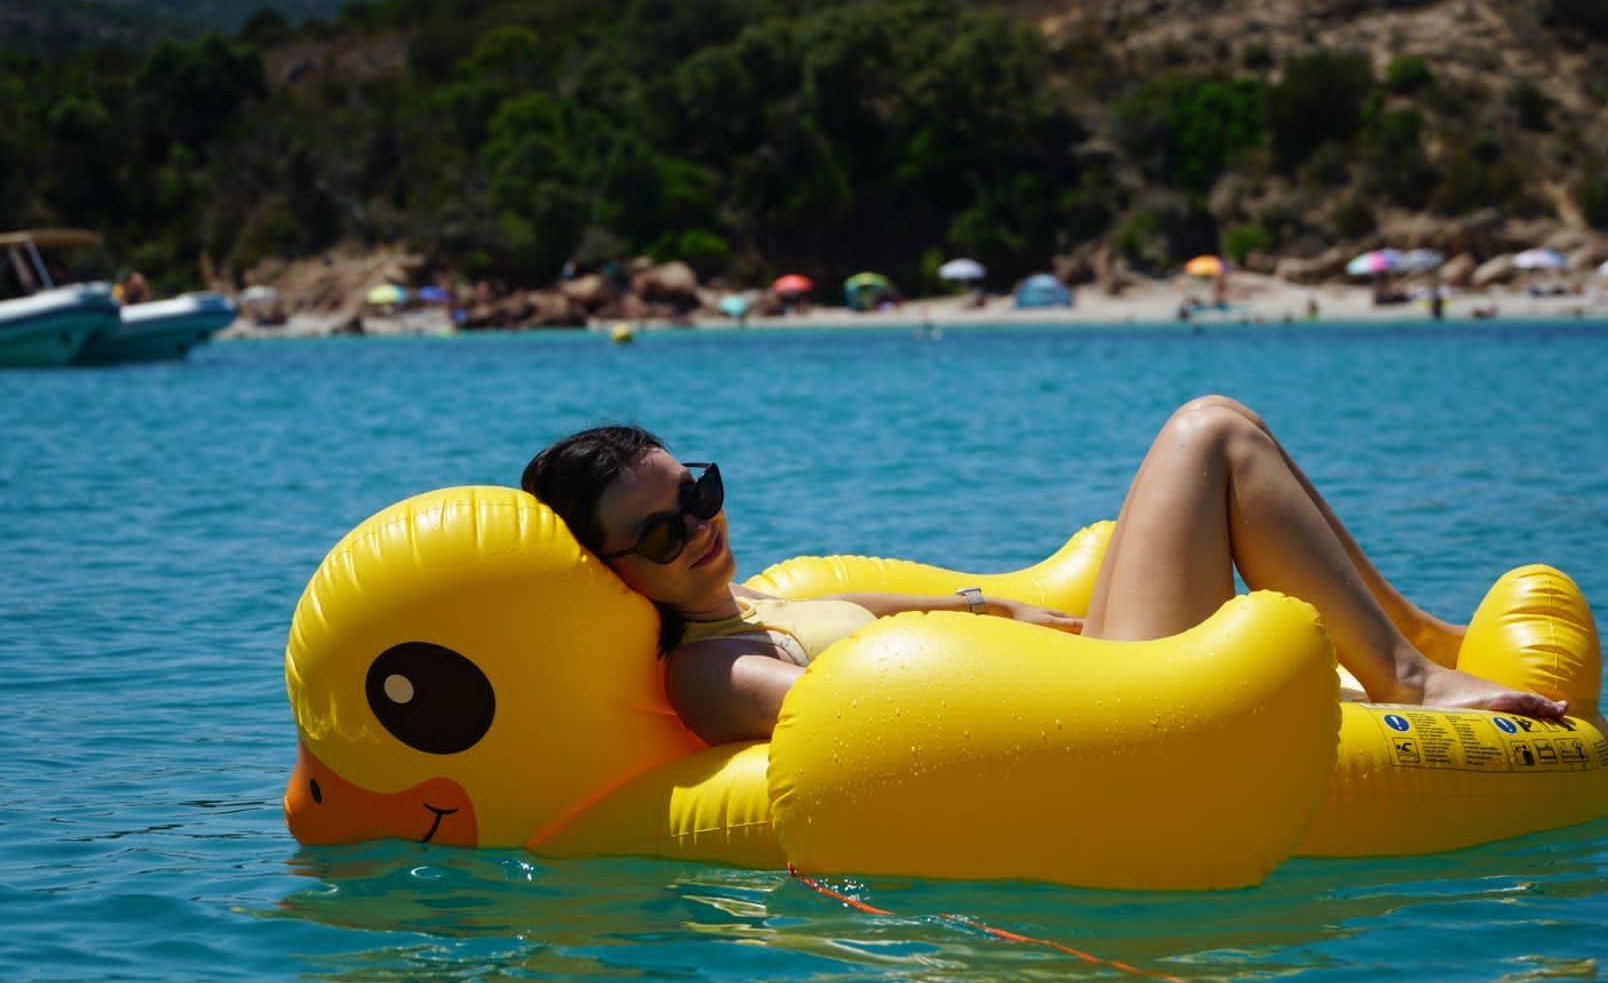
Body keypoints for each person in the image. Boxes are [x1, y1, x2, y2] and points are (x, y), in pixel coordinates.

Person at [521, 399, 1566, 745]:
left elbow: (932, 603)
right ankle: (1417, 680)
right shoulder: (709, 670)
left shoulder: (756, 602)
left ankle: (1418, 646)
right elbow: (870, 720)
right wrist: (1047, 661)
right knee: (1205, 434)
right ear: (611, 574)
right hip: (1100, 717)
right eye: (660, 534)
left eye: (695, 494)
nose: (697, 529)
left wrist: (1015, 609)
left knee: (1228, 430)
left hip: (1080, 666)